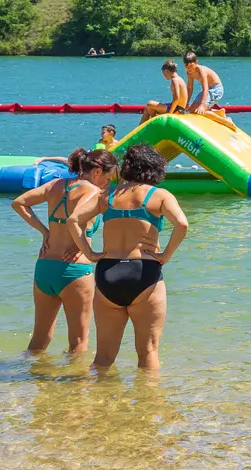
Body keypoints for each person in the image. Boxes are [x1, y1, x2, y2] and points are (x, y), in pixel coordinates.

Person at [69, 144, 189, 370]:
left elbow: (73, 220)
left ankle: (97, 402)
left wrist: (89, 253)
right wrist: (166, 255)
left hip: (108, 273)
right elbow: (182, 224)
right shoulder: (160, 195)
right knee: (148, 351)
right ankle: (147, 403)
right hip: (144, 272)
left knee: (103, 356)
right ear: (155, 168)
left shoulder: (107, 195)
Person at [11, 148, 116, 354]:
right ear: (97, 172)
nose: (108, 183)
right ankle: (74, 386)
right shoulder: (93, 192)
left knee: (40, 338)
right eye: (108, 177)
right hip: (74, 271)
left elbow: (19, 203)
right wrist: (86, 249)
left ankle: (30, 379)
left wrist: (45, 232)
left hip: (45, 267)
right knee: (78, 342)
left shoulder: (56, 185)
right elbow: (74, 220)